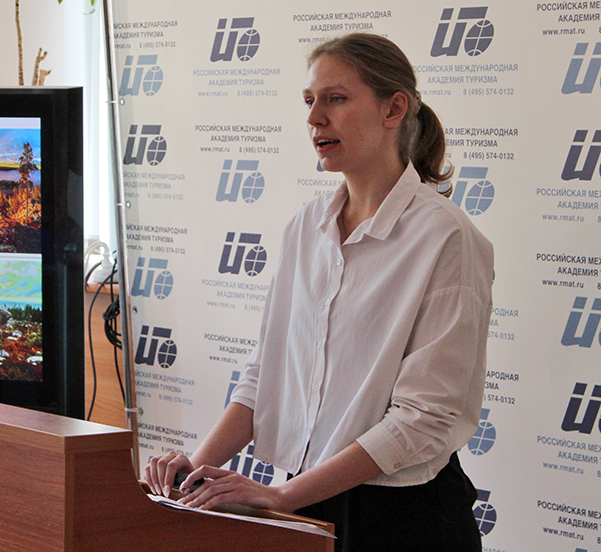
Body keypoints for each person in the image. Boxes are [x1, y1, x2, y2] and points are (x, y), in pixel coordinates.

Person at [145, 33, 493, 551]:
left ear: (394, 108)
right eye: (309, 101)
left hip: (403, 517)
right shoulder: (305, 227)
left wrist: (281, 496)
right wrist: (195, 471)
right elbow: (266, 375)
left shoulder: (448, 237)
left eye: (336, 98)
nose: (314, 118)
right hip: (305, 499)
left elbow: (424, 419)